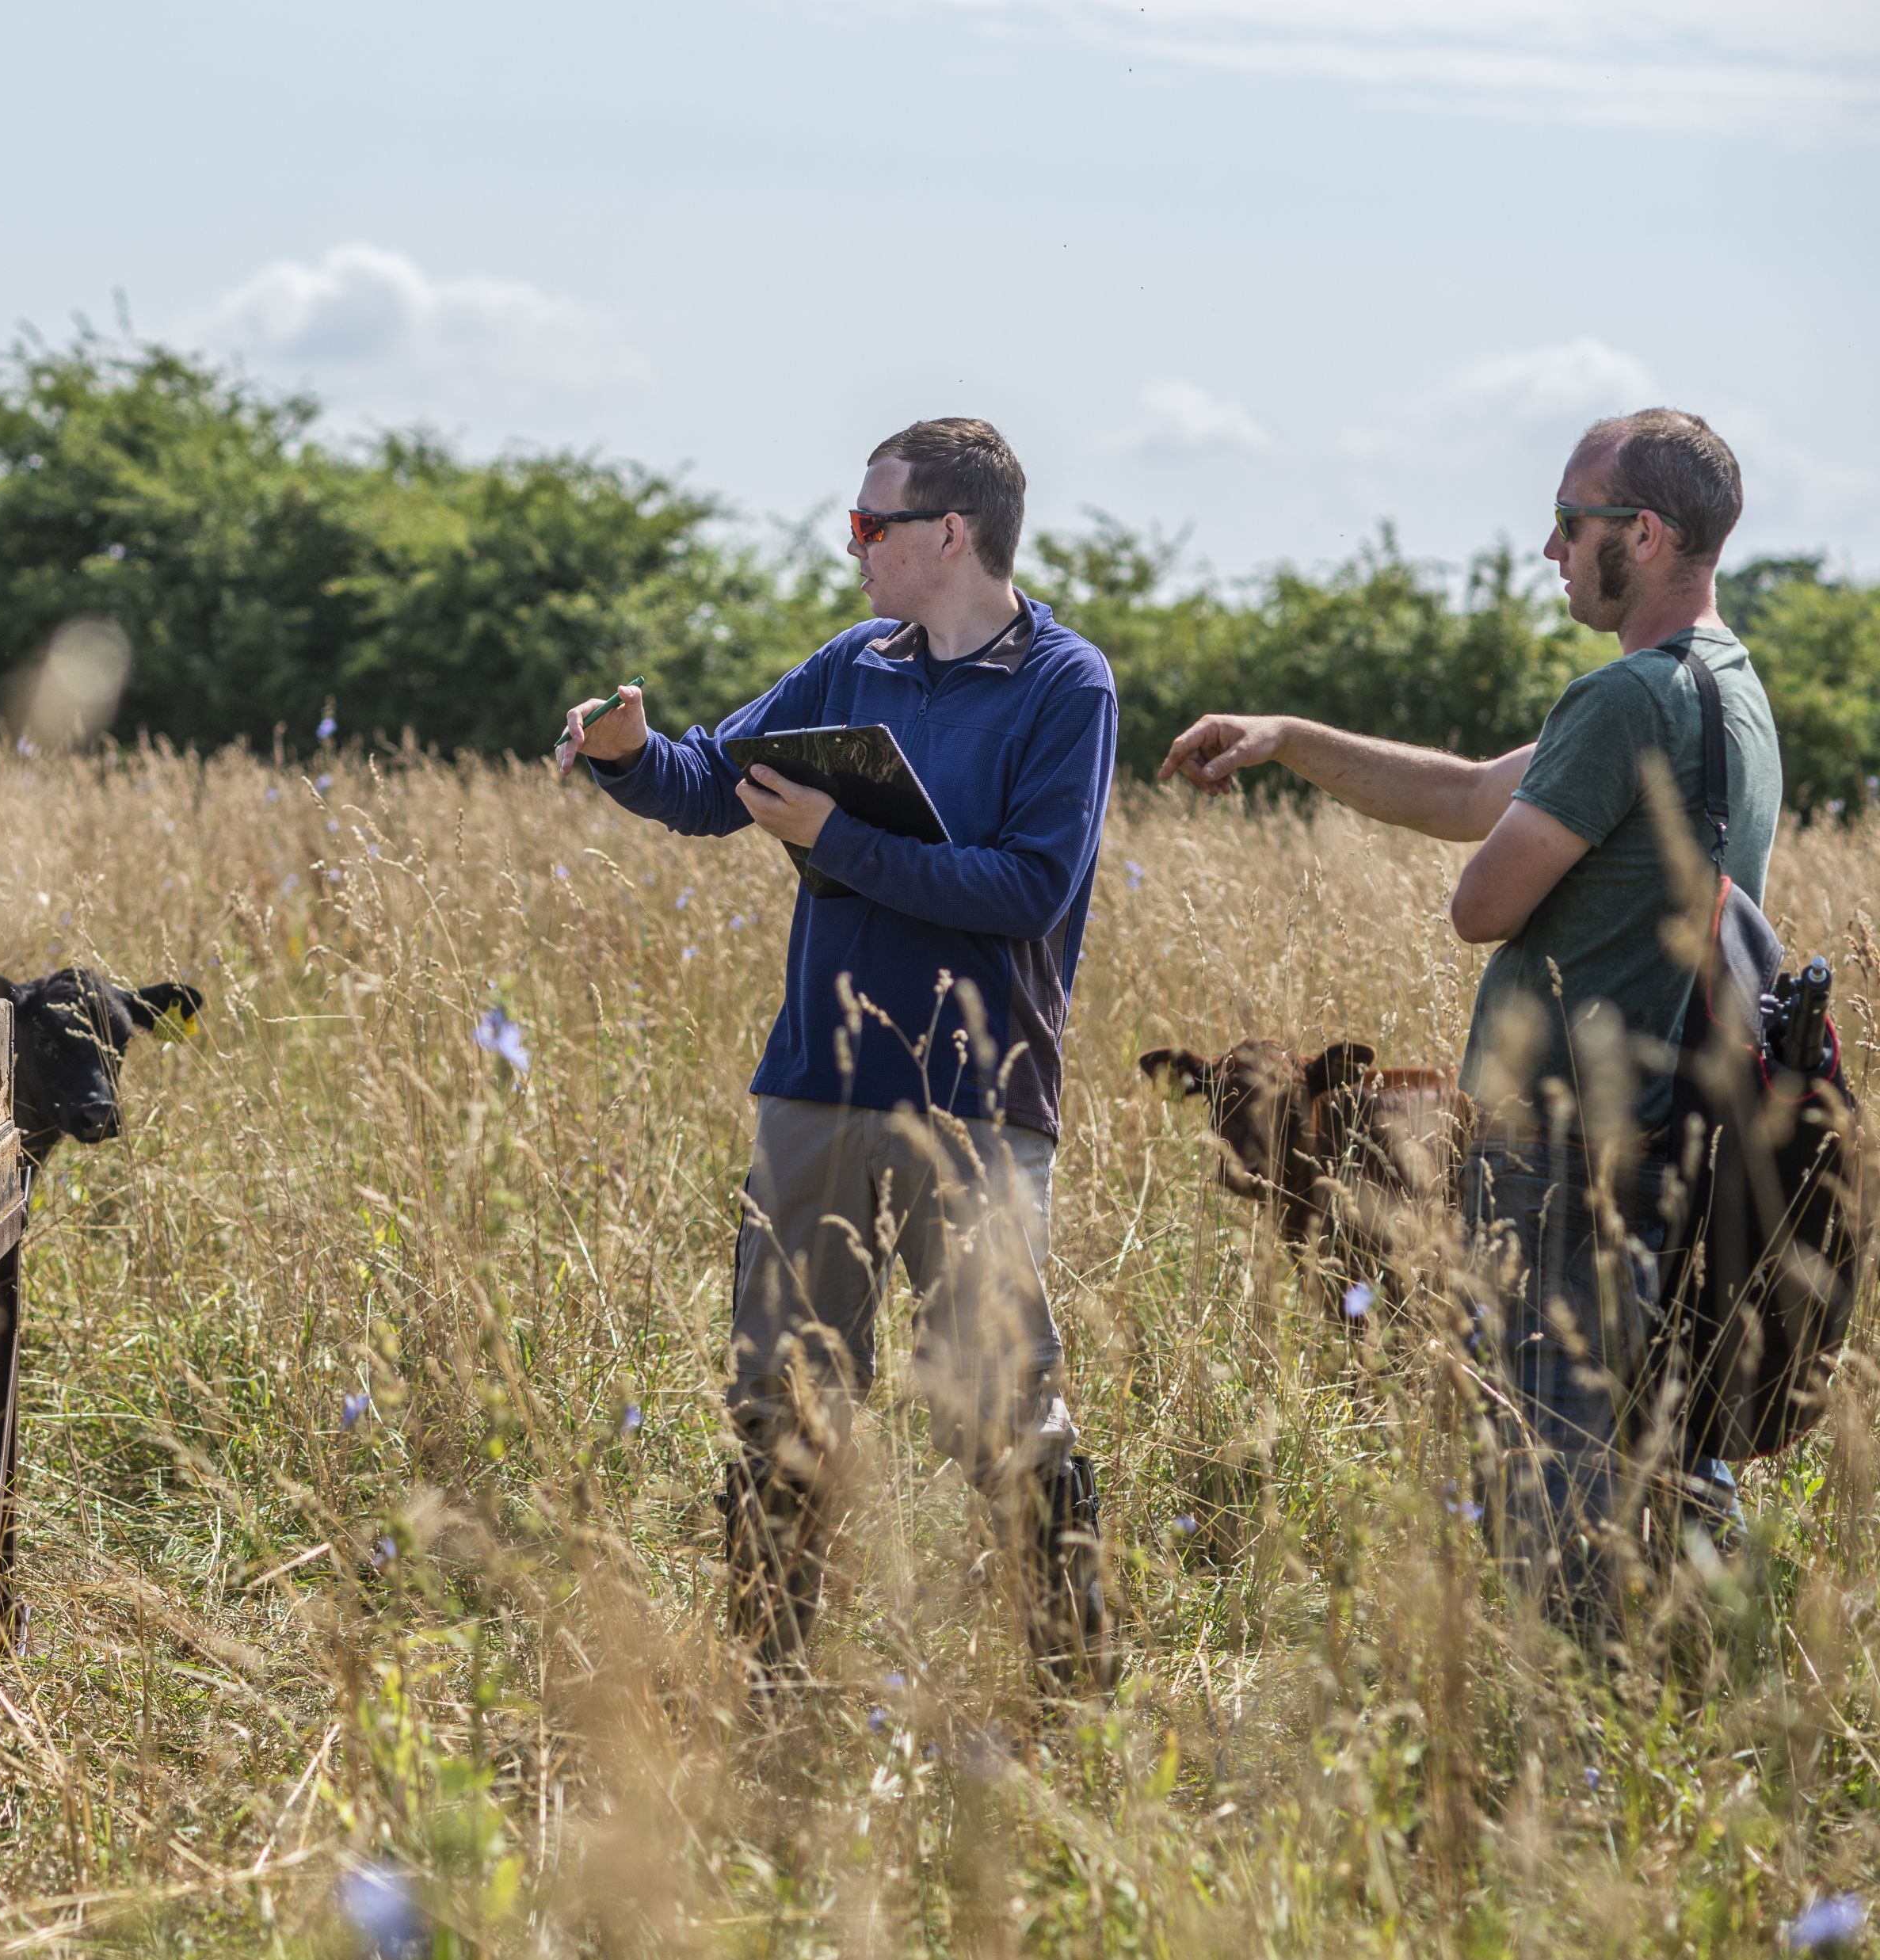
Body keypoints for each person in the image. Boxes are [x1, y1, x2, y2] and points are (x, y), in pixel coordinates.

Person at [1160, 408, 1775, 1647]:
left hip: (1561, 1163)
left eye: (1570, 520)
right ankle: (1672, 1712)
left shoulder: (1619, 700)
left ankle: (1573, 1741)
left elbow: (1480, 896)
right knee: (1651, 1461)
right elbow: (1468, 791)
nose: (1549, 547)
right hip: (1675, 1146)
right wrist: (1293, 741)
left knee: (1551, 1481)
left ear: (1642, 535)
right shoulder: (1728, 689)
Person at [561, 418, 1120, 1691]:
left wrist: (839, 837)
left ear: (950, 535)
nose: (853, 544)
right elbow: (715, 781)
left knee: (999, 1406)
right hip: (815, 1079)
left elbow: (1031, 888)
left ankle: (1071, 1686)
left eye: (872, 524)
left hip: (978, 1100)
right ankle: (773, 1678)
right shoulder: (854, 661)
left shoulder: (1065, 683)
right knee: (784, 1398)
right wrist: (631, 755)